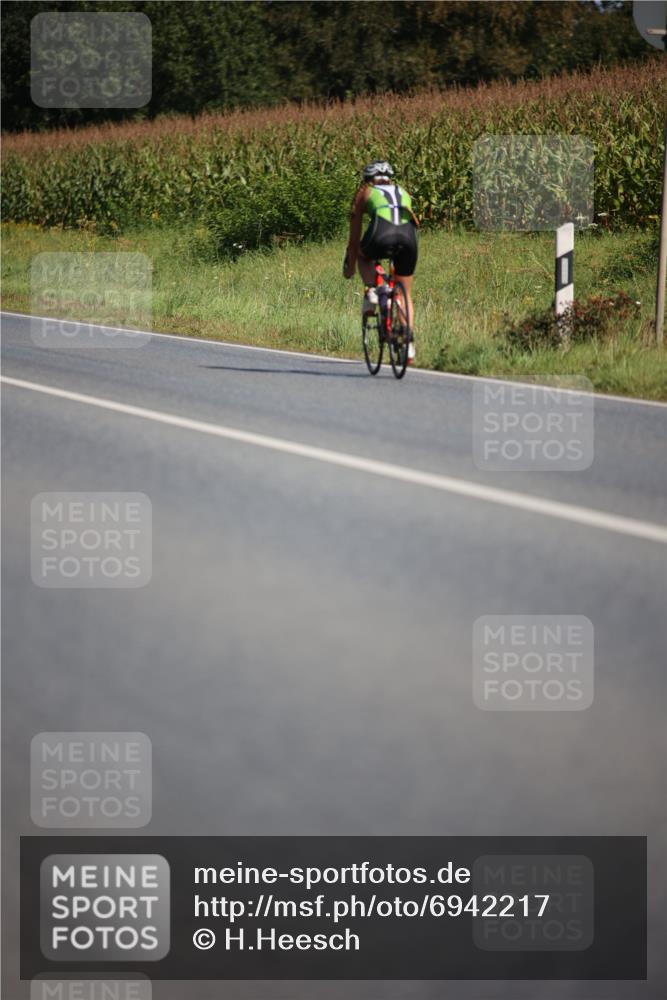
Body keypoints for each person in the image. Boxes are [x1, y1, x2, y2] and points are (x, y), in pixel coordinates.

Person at [343, 160, 418, 361]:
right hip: (409, 239)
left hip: (381, 235)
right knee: (405, 292)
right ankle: (409, 344)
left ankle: (373, 290)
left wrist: (350, 267)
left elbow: (354, 239)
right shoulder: (403, 191)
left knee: (362, 253)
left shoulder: (364, 193)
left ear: (368, 179)